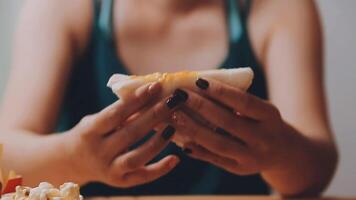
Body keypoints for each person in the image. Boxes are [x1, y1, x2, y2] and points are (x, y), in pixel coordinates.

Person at [0, 0, 337, 197]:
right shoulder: (61, 8)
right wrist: (75, 159)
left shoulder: (278, 9)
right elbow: (5, 159)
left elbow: (317, 168)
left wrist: (279, 154)